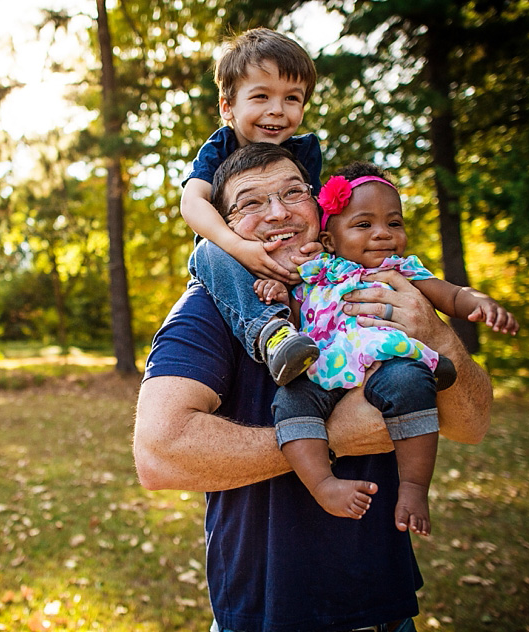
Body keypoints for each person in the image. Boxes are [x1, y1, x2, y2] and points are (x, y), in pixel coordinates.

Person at [134, 143, 493, 632]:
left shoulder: (379, 284)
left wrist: (436, 334)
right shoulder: (210, 307)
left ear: (320, 207)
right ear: (224, 228)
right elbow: (159, 454)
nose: (278, 212)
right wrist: (333, 438)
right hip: (267, 614)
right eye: (251, 203)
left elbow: (472, 426)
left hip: (387, 611)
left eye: (293, 193)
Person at [254, 161, 517, 537]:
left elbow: (452, 294)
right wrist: (277, 293)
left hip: (386, 362)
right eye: (364, 224)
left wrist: (480, 303)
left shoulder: (403, 270)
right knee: (290, 401)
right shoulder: (317, 270)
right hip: (325, 367)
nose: (382, 234)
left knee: (411, 385)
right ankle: (323, 484)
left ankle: (412, 487)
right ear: (330, 239)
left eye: (394, 223)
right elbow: (295, 314)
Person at [181, 27, 324, 386]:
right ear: (227, 107)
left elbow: (318, 212)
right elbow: (192, 202)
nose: (277, 111)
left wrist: (320, 244)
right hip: (233, 270)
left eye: (292, 98)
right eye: (261, 96)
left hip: (291, 267)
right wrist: (240, 249)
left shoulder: (304, 151)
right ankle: (272, 334)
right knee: (206, 252)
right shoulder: (220, 147)